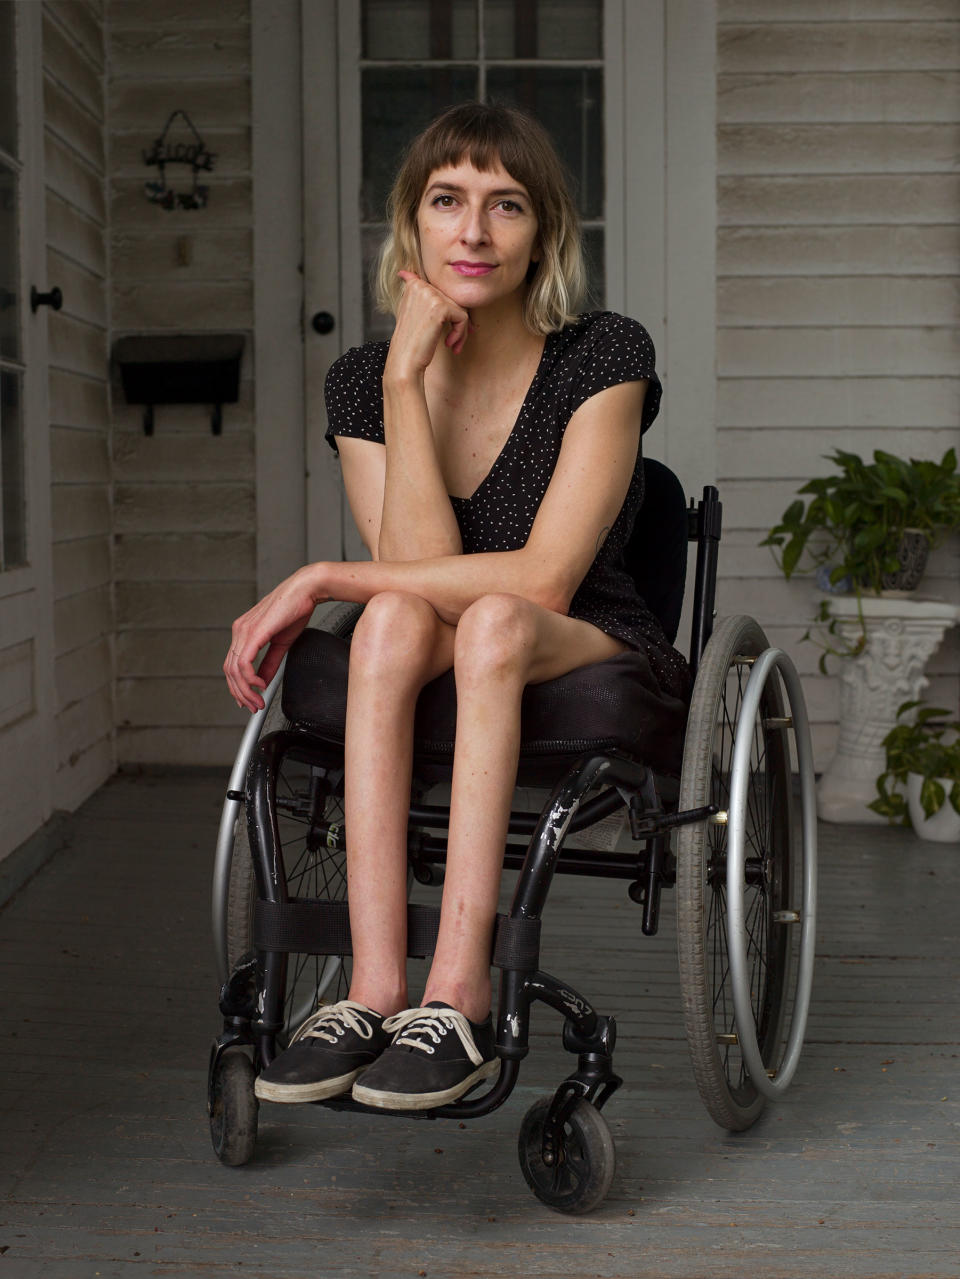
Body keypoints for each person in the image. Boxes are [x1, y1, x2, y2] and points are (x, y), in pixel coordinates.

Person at [223, 102, 690, 1113]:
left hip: (583, 634)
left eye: (505, 205)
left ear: (544, 234)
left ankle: (460, 992)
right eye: (448, 201)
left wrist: (318, 576)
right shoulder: (362, 380)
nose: (473, 232)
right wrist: (404, 374)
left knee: (482, 617)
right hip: (444, 633)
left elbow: (546, 579)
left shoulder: (604, 354)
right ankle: (377, 988)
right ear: (413, 225)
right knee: (394, 620)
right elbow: (416, 571)